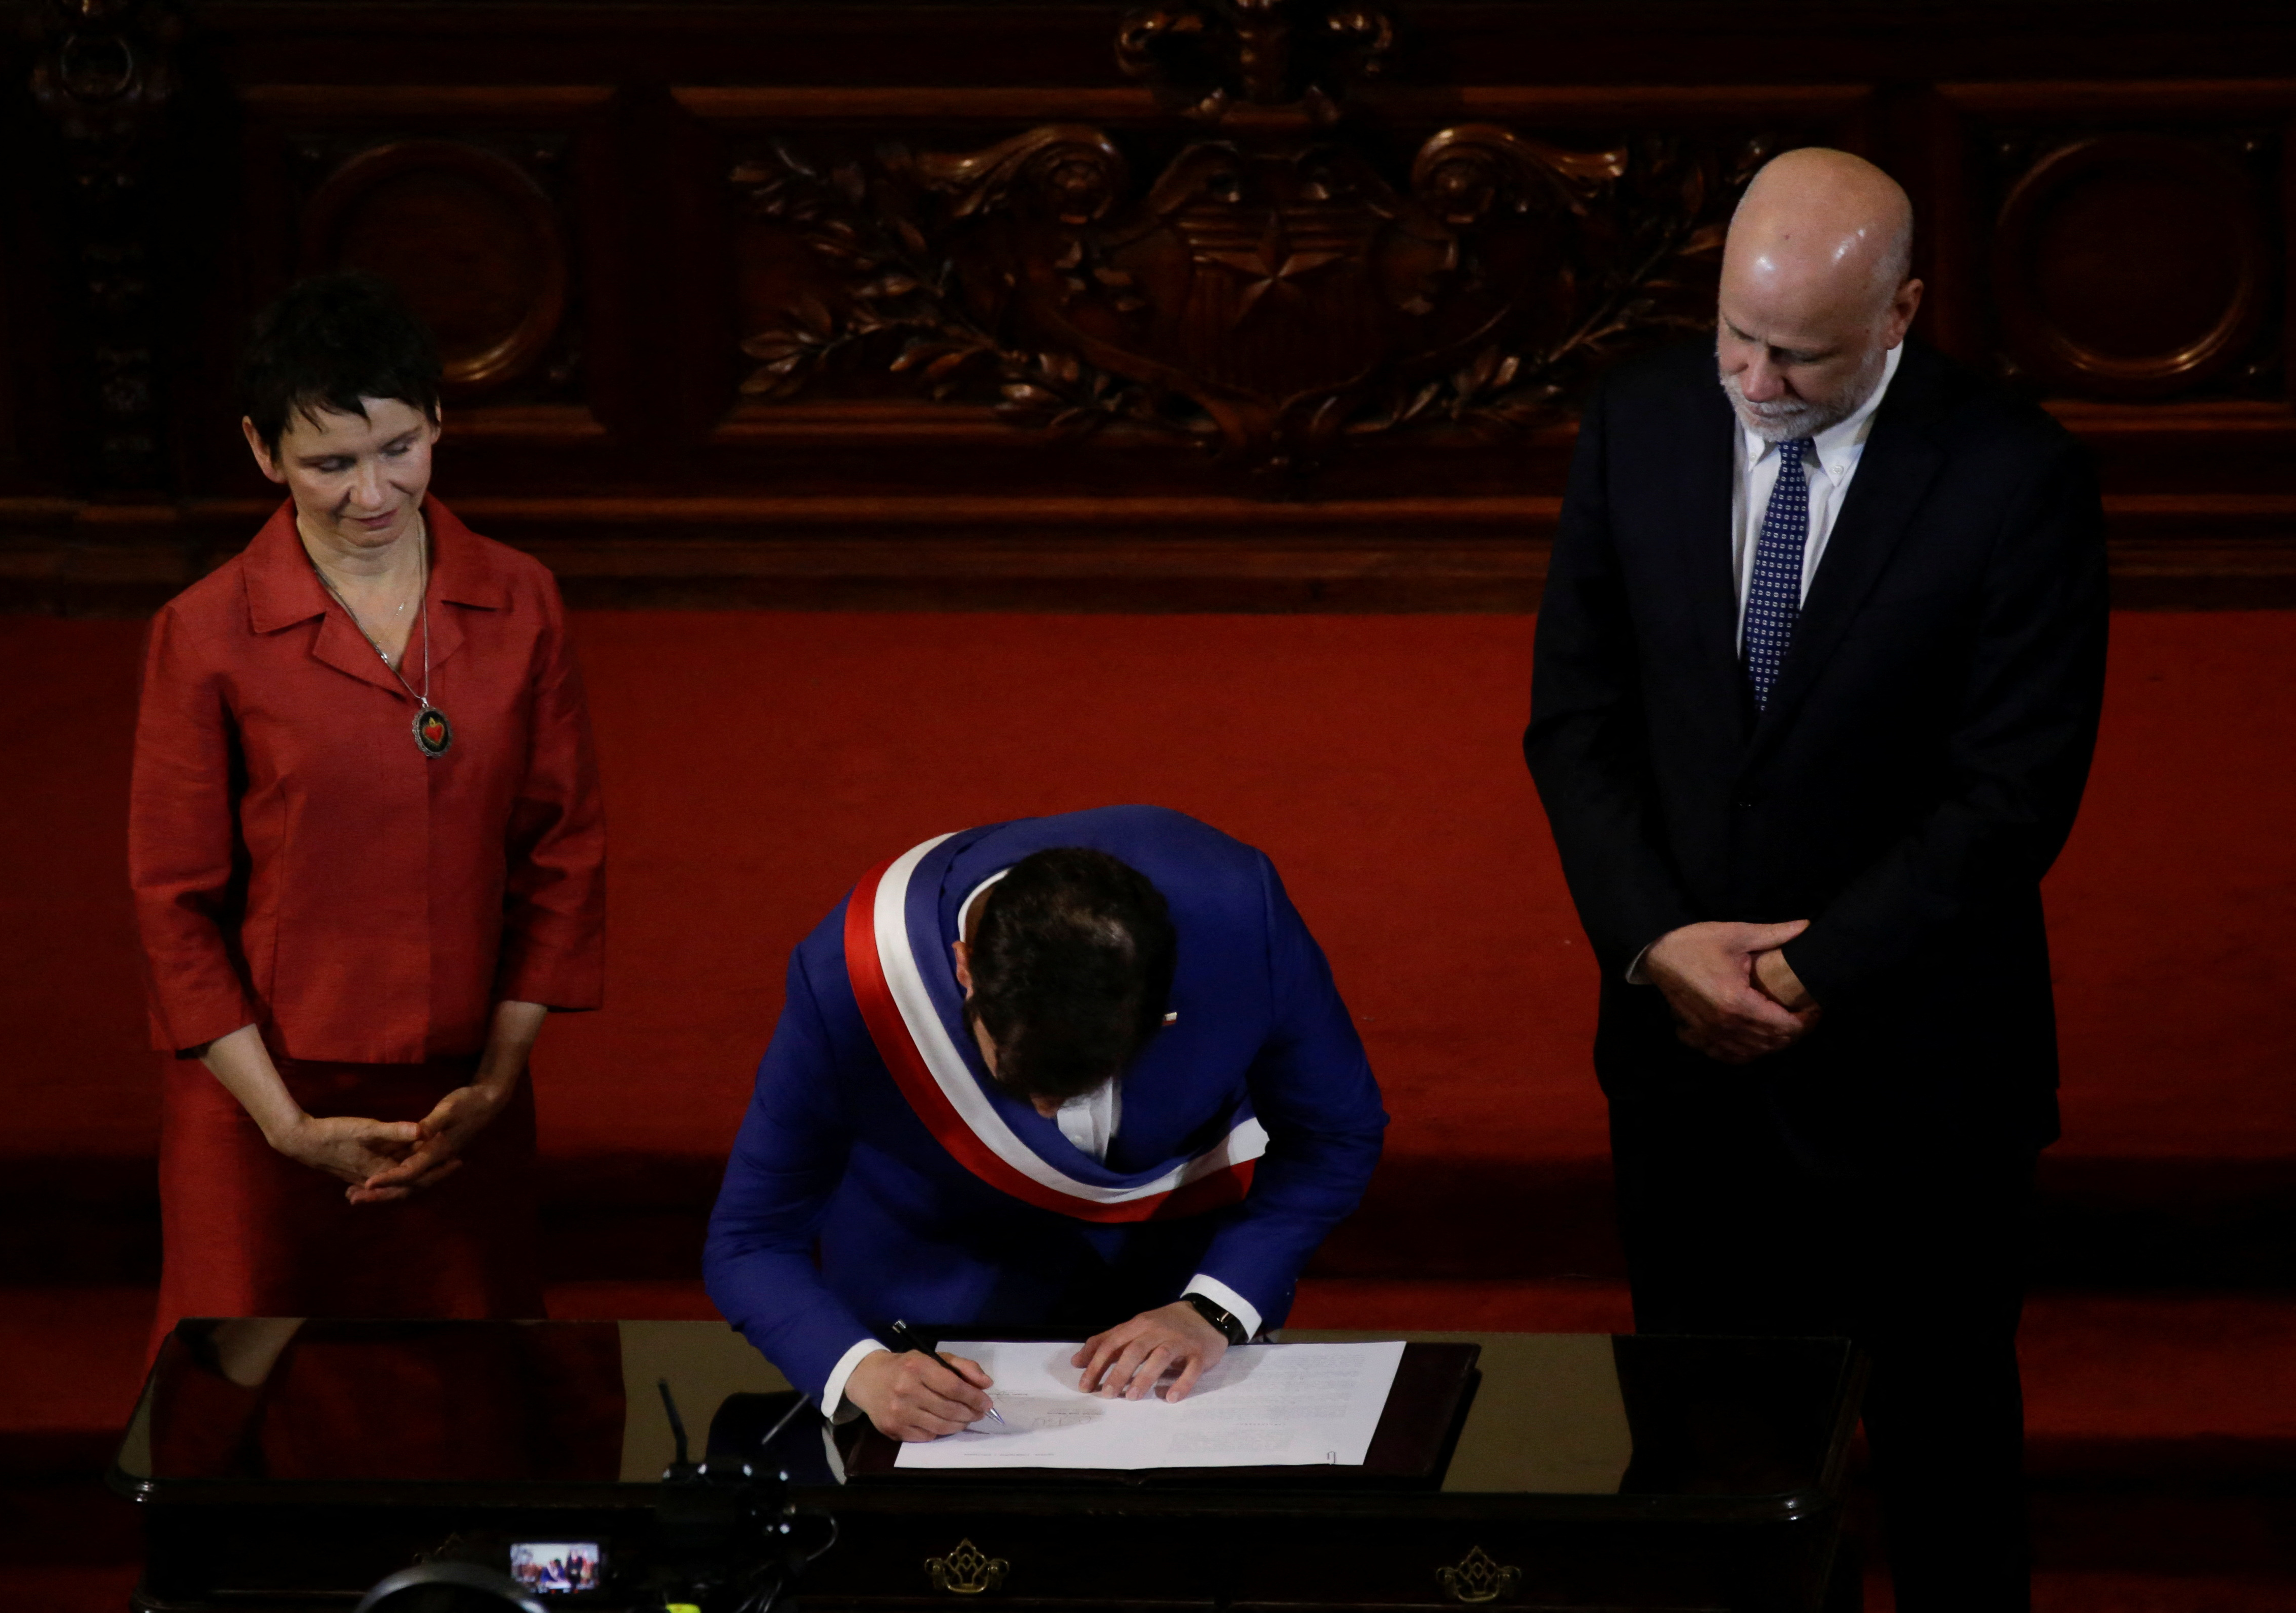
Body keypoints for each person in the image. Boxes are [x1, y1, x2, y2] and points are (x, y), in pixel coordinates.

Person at [1524, 148, 2106, 1611]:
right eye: (1738, 335)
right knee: (1713, 1466)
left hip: (1917, 1071)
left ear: (1901, 311)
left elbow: (2013, 791)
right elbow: (1576, 722)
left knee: (1947, 1456)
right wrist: (1657, 941)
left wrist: (1804, 968)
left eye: (1802, 355)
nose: (1756, 381)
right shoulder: (1639, 422)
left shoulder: (2016, 474)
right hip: (1680, 1068)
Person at [130, 271, 605, 1346]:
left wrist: (493, 1081)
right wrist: (287, 1126)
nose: (373, 493)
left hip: (457, 1097)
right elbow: (174, 903)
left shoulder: (521, 597)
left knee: (466, 1392)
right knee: (237, 1398)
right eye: (329, 465)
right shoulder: (203, 632)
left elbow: (562, 851)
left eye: (399, 448)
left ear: (437, 423)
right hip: (262, 1092)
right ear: (263, 453)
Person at [703, 806, 1387, 1441]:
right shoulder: (855, 978)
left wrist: (1213, 1306)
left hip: (1178, 1298)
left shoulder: (1242, 918)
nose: (1043, 1113)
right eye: (1017, 1078)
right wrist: (860, 1369)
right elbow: (751, 1238)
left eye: (1077, 1083)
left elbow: (1334, 1134)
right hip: (931, 1316)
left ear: (1161, 1016)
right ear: (965, 967)